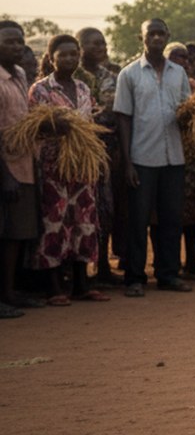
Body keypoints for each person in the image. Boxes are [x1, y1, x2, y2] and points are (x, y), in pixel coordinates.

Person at [115, 18, 193, 297]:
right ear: (142, 39)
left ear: (168, 36)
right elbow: (123, 118)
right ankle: (134, 277)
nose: (157, 38)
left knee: (171, 219)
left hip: (174, 157)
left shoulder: (178, 73)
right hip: (142, 158)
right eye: (152, 34)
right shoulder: (130, 74)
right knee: (138, 220)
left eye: (161, 34)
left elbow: (187, 109)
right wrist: (127, 163)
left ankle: (168, 274)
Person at [28, 35, 108, 305]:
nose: (70, 59)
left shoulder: (84, 88)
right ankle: (53, 288)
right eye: (64, 55)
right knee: (55, 222)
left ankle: (81, 284)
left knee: (84, 222)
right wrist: (57, 128)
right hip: (55, 167)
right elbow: (35, 126)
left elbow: (90, 121)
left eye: (74, 54)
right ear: (51, 58)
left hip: (83, 167)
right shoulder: (40, 90)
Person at [74, 26, 123, 287]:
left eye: (103, 43)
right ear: (80, 47)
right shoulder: (71, 76)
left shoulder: (108, 75)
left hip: (104, 154)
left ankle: (102, 265)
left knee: (104, 210)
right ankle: (78, 272)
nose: (101, 47)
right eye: (94, 43)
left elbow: (110, 111)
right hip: (75, 155)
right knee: (78, 213)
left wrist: (88, 118)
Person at [0, 21, 41, 317]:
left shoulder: (20, 75)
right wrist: (6, 175)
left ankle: (10, 292)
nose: (16, 47)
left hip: (24, 164)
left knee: (16, 235)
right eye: (9, 42)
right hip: (6, 170)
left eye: (19, 42)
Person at [166, 43, 195, 278]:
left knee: (192, 215)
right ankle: (168, 262)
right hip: (165, 157)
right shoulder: (161, 84)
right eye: (176, 57)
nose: (182, 62)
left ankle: (191, 261)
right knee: (168, 214)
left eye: (185, 58)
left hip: (192, 159)